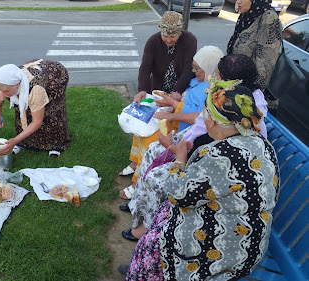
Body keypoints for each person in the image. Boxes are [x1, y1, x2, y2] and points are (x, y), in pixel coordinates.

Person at [121, 85, 279, 281]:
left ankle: (141, 274)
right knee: (163, 215)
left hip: (224, 253)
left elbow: (176, 194)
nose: (201, 119)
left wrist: (179, 159)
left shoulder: (219, 155)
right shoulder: (263, 144)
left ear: (212, 121)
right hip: (251, 242)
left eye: (204, 114)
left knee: (156, 238)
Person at [121, 54, 269, 241]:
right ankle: (139, 204)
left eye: (217, 76)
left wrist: (175, 151)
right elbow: (200, 126)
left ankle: (149, 230)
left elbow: (181, 190)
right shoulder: (230, 103)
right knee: (153, 150)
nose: (211, 79)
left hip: (220, 224)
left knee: (156, 178)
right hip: (199, 152)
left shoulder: (230, 138)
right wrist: (177, 143)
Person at [119, 11, 197, 197]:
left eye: (173, 36)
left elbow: (188, 69)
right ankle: (134, 162)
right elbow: (145, 67)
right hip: (157, 89)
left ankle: (141, 172)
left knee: (157, 129)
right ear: (160, 31)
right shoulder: (153, 41)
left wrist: (177, 91)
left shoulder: (189, 40)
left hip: (178, 91)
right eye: (165, 35)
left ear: (180, 32)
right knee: (142, 126)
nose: (169, 40)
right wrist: (142, 91)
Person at [0, 59, 70, 157]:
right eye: (1, 91)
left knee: (51, 110)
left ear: (17, 84)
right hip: (35, 73)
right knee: (23, 110)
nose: (3, 94)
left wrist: (15, 140)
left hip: (55, 76)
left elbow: (37, 122)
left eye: (6, 92)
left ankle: (55, 144)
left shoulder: (36, 89)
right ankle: (24, 143)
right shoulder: (4, 84)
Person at [228, 0, 282, 110]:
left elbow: (265, 67)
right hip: (237, 89)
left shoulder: (268, 18)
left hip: (251, 98)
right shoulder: (246, 16)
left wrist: (247, 96)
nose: (238, 2)